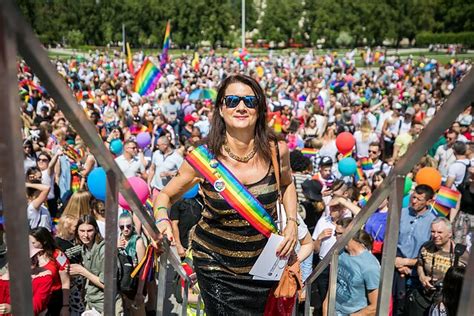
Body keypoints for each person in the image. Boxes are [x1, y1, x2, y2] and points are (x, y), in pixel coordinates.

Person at [152, 74, 298, 315]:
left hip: (262, 266)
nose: (241, 107)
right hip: (215, 265)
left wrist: (292, 222)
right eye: (232, 101)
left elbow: (287, 184)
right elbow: (165, 195)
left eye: (249, 102)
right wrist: (162, 219)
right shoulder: (203, 158)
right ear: (221, 109)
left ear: (259, 109)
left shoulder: (276, 150)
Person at [407, 218, 469, 316]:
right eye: (433, 231)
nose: (435, 235)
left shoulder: (461, 253)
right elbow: (420, 264)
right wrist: (422, 277)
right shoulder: (426, 247)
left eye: (439, 232)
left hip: (446, 304)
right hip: (424, 299)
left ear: (450, 233)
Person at [393, 184, 437, 315]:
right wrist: (397, 262)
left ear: (428, 202)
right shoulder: (402, 213)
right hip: (395, 269)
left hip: (415, 274)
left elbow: (430, 255)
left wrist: (406, 262)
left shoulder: (433, 222)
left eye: (419, 199)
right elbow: (391, 238)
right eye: (413, 197)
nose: (413, 201)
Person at [323, 218, 380, 316]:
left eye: (338, 233)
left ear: (350, 234)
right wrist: (325, 309)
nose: (335, 237)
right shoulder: (338, 254)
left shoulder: (370, 265)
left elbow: (375, 306)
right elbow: (332, 287)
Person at [0, 241, 53, 316]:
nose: (34, 260)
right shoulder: (4, 281)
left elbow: (36, 306)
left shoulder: (43, 277)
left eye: (35, 256)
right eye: (29, 258)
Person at [69, 215, 106, 314]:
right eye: (82, 231)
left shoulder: (103, 250)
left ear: (96, 230)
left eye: (89, 231)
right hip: (90, 302)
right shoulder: (84, 248)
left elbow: (107, 285)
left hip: (105, 304)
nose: (85, 235)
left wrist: (82, 271)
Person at [30, 227, 70, 316]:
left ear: (44, 242)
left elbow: (65, 282)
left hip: (54, 299)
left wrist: (65, 306)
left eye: (33, 243)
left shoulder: (58, 255)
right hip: (36, 298)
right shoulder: (30, 257)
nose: (30, 245)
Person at [117, 212, 145, 315]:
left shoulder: (138, 242)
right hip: (122, 283)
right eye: (122, 227)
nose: (125, 229)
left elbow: (143, 269)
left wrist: (139, 292)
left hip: (134, 284)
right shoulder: (119, 238)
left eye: (128, 226)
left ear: (132, 225)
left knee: (138, 312)